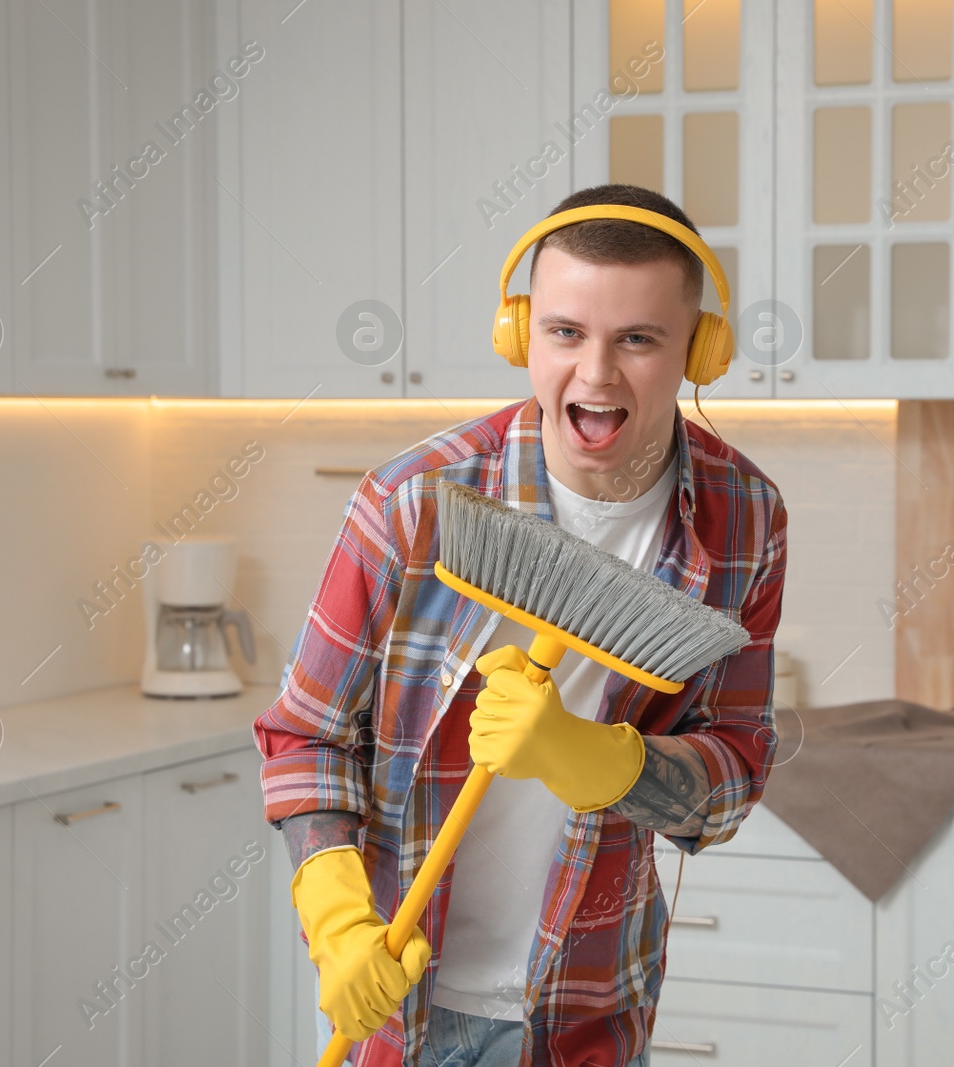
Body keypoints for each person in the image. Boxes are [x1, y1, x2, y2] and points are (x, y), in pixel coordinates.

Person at [253, 183, 788, 1067]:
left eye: (639, 339)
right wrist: (339, 918)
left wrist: (602, 761)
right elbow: (304, 736)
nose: (597, 374)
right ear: (519, 334)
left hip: (591, 1014)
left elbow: (734, 770)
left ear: (700, 349)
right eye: (566, 332)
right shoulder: (415, 499)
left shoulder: (744, 518)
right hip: (401, 1010)